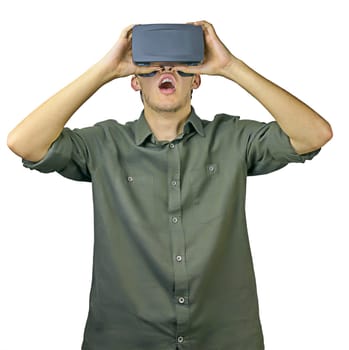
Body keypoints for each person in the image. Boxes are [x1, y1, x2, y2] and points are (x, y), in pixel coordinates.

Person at [7, 20, 332, 350]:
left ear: (197, 78)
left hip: (224, 339)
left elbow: (314, 134)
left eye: (181, 64)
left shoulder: (233, 138)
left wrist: (231, 66)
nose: (167, 70)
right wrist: (106, 69)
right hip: (124, 340)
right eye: (150, 65)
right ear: (135, 81)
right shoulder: (103, 144)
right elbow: (24, 143)